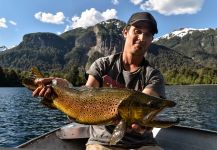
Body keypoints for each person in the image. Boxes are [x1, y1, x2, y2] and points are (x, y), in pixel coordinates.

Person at [33, 12, 165, 150]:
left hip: (143, 144)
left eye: (148, 34)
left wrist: (144, 123)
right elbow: (84, 97)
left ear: (151, 39)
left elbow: (148, 102)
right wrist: (64, 87)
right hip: (101, 142)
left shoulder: (154, 76)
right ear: (125, 32)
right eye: (137, 31)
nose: (142, 37)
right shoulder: (102, 65)